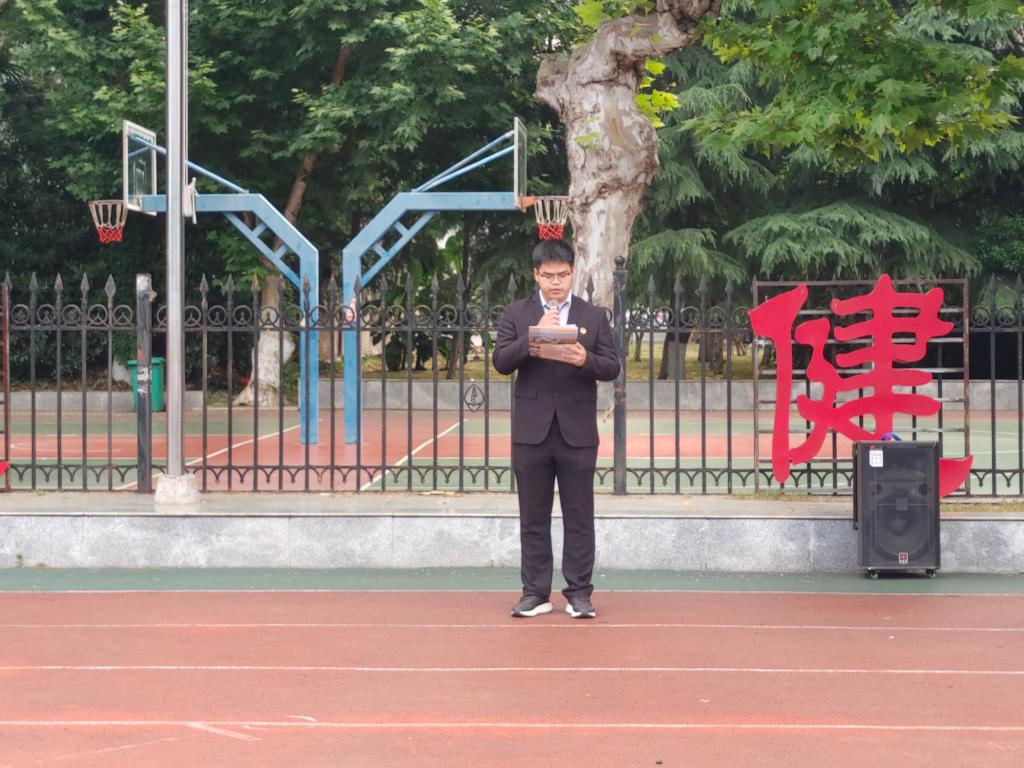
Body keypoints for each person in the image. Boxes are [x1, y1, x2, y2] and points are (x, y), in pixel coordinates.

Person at [493, 239, 620, 619]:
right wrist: (531, 338)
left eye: (562, 275)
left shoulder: (592, 315)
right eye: (548, 276)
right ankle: (535, 592)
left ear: (572, 273)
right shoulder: (517, 314)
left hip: (576, 433)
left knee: (579, 516)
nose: (555, 283)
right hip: (531, 432)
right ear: (536, 275)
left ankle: (579, 593)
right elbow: (501, 361)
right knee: (533, 517)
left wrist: (585, 358)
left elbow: (611, 366)